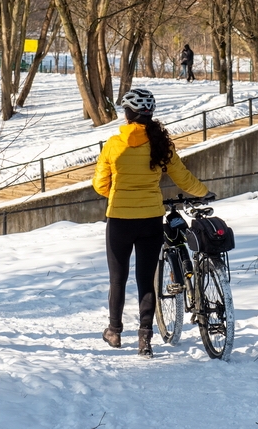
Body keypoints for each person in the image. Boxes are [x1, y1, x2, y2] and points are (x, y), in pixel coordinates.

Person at [92, 88, 213, 358]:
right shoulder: (160, 144)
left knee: (118, 279)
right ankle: (145, 339)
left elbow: (100, 184)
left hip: (120, 221)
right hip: (150, 220)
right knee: (146, 280)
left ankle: (114, 331)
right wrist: (204, 192)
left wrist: (117, 192)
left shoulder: (113, 144)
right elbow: (183, 177)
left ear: (127, 114)